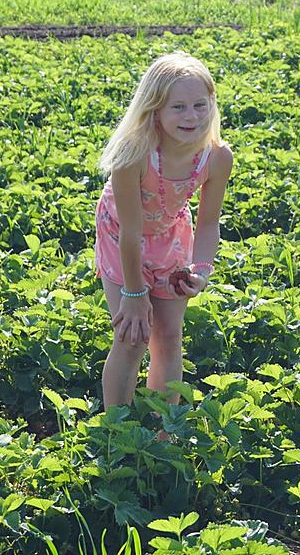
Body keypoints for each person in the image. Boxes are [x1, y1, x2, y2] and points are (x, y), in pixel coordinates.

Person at [94, 52, 234, 408]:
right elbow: (130, 232)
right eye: (179, 107)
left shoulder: (217, 157)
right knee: (132, 336)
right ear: (154, 109)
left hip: (171, 236)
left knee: (169, 336)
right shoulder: (134, 155)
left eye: (200, 105)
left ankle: (163, 433)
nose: (192, 116)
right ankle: (117, 433)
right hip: (122, 238)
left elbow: (208, 222)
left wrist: (202, 271)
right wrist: (135, 295)